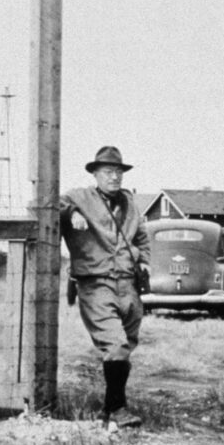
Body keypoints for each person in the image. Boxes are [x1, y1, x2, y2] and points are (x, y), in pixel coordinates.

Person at [60, 146, 150, 429]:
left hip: (128, 283)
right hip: (95, 283)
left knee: (126, 345)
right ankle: (119, 409)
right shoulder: (79, 197)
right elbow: (51, 203)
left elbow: (143, 238)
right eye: (108, 172)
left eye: (118, 172)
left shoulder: (130, 203)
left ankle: (108, 408)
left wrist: (143, 261)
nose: (114, 177)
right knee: (116, 344)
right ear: (95, 174)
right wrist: (72, 212)